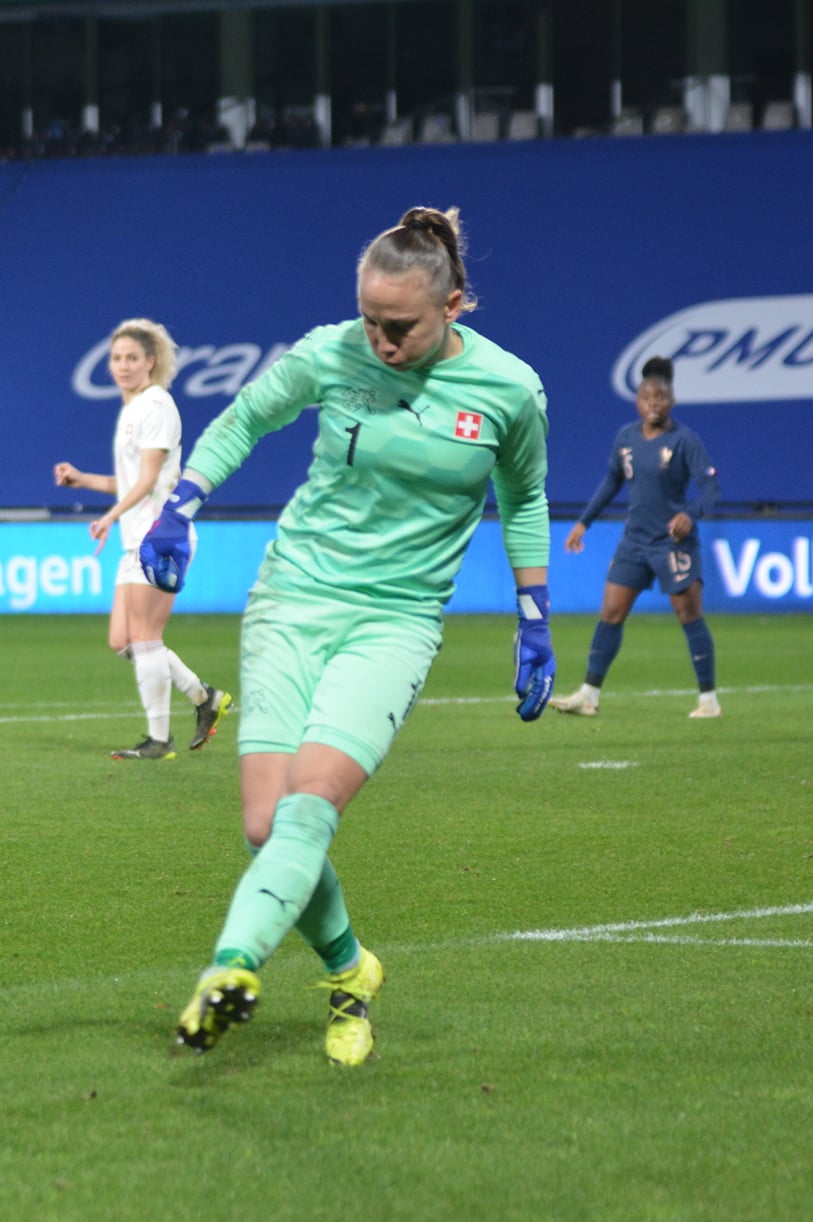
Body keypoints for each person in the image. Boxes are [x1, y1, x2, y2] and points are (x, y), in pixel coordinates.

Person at [139, 206, 555, 1066]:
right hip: (293, 596)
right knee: (265, 825)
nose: (381, 340)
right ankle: (351, 970)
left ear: (453, 306)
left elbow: (524, 496)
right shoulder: (334, 352)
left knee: (309, 805)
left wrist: (534, 611)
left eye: (399, 325)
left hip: (395, 622)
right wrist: (185, 502)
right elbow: (246, 418)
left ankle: (231, 967)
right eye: (369, 318)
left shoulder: (511, 390)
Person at [52, 318, 230, 760]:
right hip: (138, 538)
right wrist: (83, 481)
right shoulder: (132, 412)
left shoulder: (156, 405)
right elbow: (131, 479)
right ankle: (204, 696)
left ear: (151, 362)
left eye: (132, 357)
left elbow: (150, 480)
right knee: (122, 640)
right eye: (116, 358)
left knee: (147, 637)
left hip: (162, 535)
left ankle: (159, 740)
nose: (123, 365)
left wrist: (110, 516)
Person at [549, 355, 722, 719]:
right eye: (647, 398)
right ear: (638, 402)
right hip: (634, 540)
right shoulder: (626, 438)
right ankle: (589, 694)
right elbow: (612, 482)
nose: (654, 404)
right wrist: (584, 522)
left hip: (672, 542)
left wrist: (689, 515)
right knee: (611, 611)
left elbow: (709, 490)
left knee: (688, 613)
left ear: (671, 402)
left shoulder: (685, 440)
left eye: (660, 398)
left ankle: (709, 700)